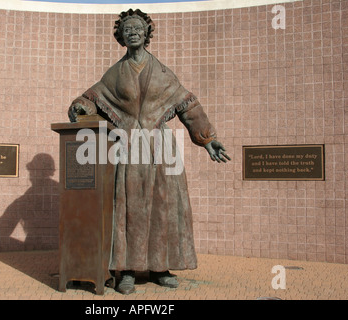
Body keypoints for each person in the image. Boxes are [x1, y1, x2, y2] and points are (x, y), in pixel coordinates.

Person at [68, 9, 230, 294]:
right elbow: (93, 96)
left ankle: (160, 267)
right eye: (127, 29)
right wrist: (81, 105)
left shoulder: (163, 72)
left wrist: (207, 139)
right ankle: (126, 270)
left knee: (163, 207)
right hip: (128, 148)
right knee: (128, 208)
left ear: (146, 34)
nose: (132, 32)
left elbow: (187, 105)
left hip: (160, 148)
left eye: (137, 28)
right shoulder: (115, 73)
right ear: (121, 36)